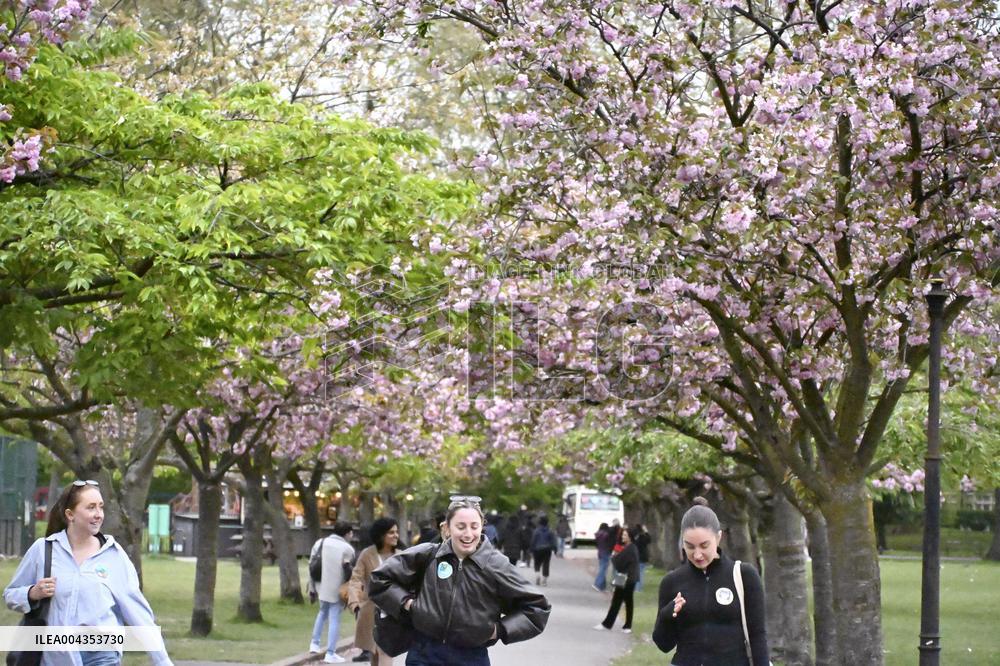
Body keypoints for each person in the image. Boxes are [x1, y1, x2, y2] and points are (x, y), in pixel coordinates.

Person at [3, 480, 173, 666]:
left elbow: (138, 611)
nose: (98, 514)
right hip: (56, 656)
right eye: (91, 508)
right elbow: (10, 595)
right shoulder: (43, 550)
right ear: (70, 515)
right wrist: (32, 593)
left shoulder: (113, 555)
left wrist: (162, 660)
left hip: (102, 654)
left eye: (101, 507)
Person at [369, 496, 551, 666]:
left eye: (474, 526)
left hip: (472, 657)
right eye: (461, 526)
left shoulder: (496, 564)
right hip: (425, 653)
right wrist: (408, 604)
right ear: (447, 528)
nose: (468, 534)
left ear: (482, 527)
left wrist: (499, 630)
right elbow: (380, 579)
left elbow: (537, 608)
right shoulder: (428, 555)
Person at [652, 498, 769, 665]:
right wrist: (667, 615)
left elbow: (758, 635)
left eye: (704, 545)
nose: (697, 554)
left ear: (718, 537)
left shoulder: (744, 575)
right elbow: (663, 644)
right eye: (690, 546)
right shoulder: (671, 581)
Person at [348, 517, 401, 665]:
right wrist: (355, 603)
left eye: (397, 532)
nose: (396, 535)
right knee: (375, 653)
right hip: (371, 612)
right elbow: (356, 579)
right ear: (380, 535)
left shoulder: (402, 555)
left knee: (385, 651)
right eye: (391, 532)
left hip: (393, 613)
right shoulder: (367, 554)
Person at [308, 521, 356, 664]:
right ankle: (330, 652)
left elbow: (311, 564)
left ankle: (314, 644)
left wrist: (311, 588)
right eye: (351, 533)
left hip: (321, 585)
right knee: (335, 618)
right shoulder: (347, 549)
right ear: (347, 533)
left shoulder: (320, 542)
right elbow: (348, 570)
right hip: (337, 588)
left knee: (322, 612)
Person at [594, 526, 640, 633]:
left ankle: (618, 625)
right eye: (623, 534)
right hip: (625, 578)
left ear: (630, 537)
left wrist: (614, 556)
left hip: (627, 579)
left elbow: (619, 562)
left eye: (625, 535)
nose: (623, 537)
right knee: (621, 601)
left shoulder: (631, 549)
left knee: (622, 601)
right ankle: (622, 625)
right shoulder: (628, 547)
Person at [529, 516, 557, 586]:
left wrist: (531, 549)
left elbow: (533, 541)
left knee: (537, 563)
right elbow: (553, 541)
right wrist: (555, 549)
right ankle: (544, 580)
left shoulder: (536, 531)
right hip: (547, 550)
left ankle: (537, 575)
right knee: (546, 564)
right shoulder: (550, 531)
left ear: (540, 522)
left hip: (537, 549)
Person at [592, 522, 613, 591]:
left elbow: (596, 544)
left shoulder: (597, 534)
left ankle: (602, 586)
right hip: (606, 552)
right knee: (603, 569)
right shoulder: (606, 535)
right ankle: (597, 584)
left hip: (600, 552)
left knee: (602, 568)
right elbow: (610, 543)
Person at [632, 523, 652, 591]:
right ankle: (638, 588)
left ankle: (636, 587)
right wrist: (646, 531)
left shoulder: (634, 538)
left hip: (635, 557)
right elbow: (649, 540)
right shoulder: (642, 537)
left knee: (637, 573)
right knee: (640, 573)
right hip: (642, 557)